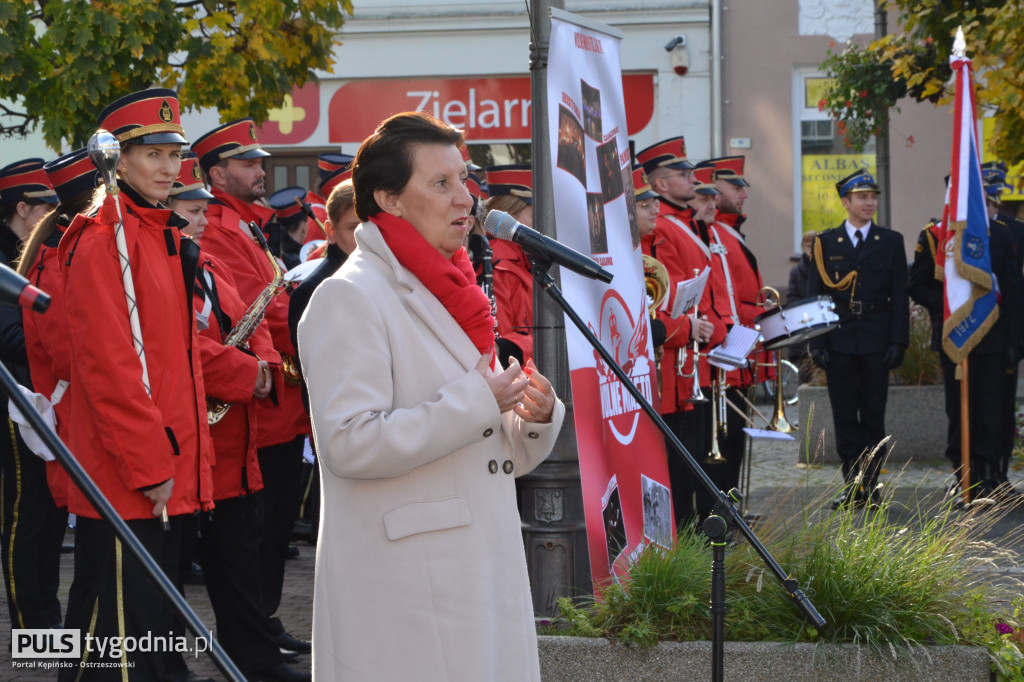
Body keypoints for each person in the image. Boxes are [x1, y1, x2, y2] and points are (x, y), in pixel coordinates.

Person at [298, 111, 564, 680]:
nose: (465, 199)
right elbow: (348, 445)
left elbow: (494, 449)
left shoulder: (455, 287)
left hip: (477, 568)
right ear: (389, 199)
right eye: (440, 184)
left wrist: (531, 422)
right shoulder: (348, 297)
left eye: (464, 179)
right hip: (408, 586)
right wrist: (479, 401)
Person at [57, 88, 214, 680]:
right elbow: (109, 368)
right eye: (152, 154)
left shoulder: (159, 234)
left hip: (169, 469)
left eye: (174, 154)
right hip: (136, 475)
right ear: (118, 159)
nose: (170, 168)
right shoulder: (103, 240)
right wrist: (151, 466)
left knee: (144, 641)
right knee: (124, 652)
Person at [167, 155, 309, 682]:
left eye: (204, 209)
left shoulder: (210, 262)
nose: (202, 219)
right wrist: (248, 375)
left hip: (235, 437)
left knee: (239, 558)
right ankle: (164, 664)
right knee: (174, 564)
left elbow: (257, 321)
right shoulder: (167, 266)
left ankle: (255, 661)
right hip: (192, 436)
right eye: (190, 210)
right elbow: (176, 346)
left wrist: (268, 366)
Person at [908, 174, 1023, 499]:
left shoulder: (999, 235)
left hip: (996, 339)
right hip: (955, 338)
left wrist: (1016, 341)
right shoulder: (934, 235)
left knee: (992, 410)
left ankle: (990, 477)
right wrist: (952, 309)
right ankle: (964, 478)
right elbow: (918, 285)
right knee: (959, 412)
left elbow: (1014, 291)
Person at [807, 169, 909, 509]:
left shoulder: (891, 241)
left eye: (873, 197)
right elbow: (815, 296)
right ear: (845, 202)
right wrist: (817, 342)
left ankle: (872, 484)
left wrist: (900, 341)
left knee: (874, 415)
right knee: (845, 415)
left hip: (877, 339)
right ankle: (852, 486)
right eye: (862, 197)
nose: (870, 203)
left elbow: (899, 294)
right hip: (838, 341)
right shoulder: (825, 242)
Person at [636, 138, 725, 526]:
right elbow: (653, 314)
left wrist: (709, 327)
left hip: (683, 361)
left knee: (688, 463)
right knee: (673, 469)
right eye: (644, 204)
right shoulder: (666, 233)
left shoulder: (678, 229)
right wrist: (689, 326)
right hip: (666, 363)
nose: (653, 210)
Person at [0, 158, 65, 632]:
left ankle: (48, 621)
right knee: (28, 517)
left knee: (50, 516)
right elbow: (12, 338)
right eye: (48, 207)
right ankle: (34, 632)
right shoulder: (7, 262)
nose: (56, 219)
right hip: (16, 406)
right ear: (23, 209)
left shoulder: (35, 254)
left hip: (43, 399)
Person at [485, 164, 535, 367]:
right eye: (533, 216)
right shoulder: (501, 264)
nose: (541, 223)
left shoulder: (520, 258)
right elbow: (503, 341)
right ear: (508, 218)